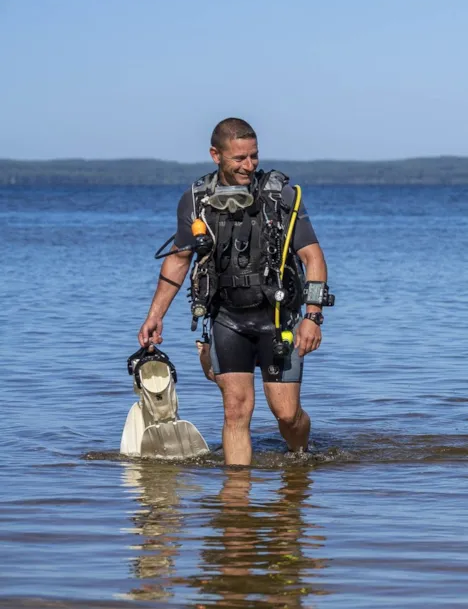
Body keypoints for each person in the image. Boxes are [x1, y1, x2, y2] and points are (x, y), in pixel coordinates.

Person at [137, 118, 330, 465]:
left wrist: (313, 317)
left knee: (286, 415)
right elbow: (179, 261)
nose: (249, 165)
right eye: (239, 158)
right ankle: (235, 503)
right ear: (216, 155)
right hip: (227, 320)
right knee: (235, 410)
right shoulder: (195, 201)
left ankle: (301, 461)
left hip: (277, 320)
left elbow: (312, 257)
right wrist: (155, 316)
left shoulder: (280, 197)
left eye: (253, 156)